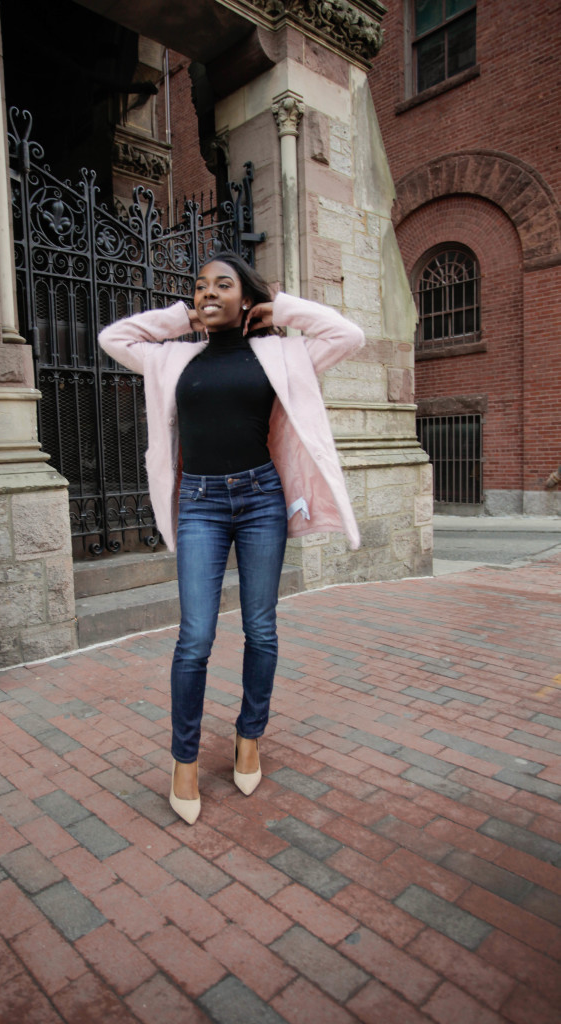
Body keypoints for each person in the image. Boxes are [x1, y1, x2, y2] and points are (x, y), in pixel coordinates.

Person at [98, 252, 364, 824]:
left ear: (248, 298)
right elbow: (113, 336)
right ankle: (185, 761)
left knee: (260, 628)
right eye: (200, 287)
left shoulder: (285, 353)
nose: (208, 293)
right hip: (199, 503)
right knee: (194, 636)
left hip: (261, 498)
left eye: (223, 285)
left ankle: (249, 737)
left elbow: (348, 334)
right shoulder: (172, 359)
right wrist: (180, 317)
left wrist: (284, 308)